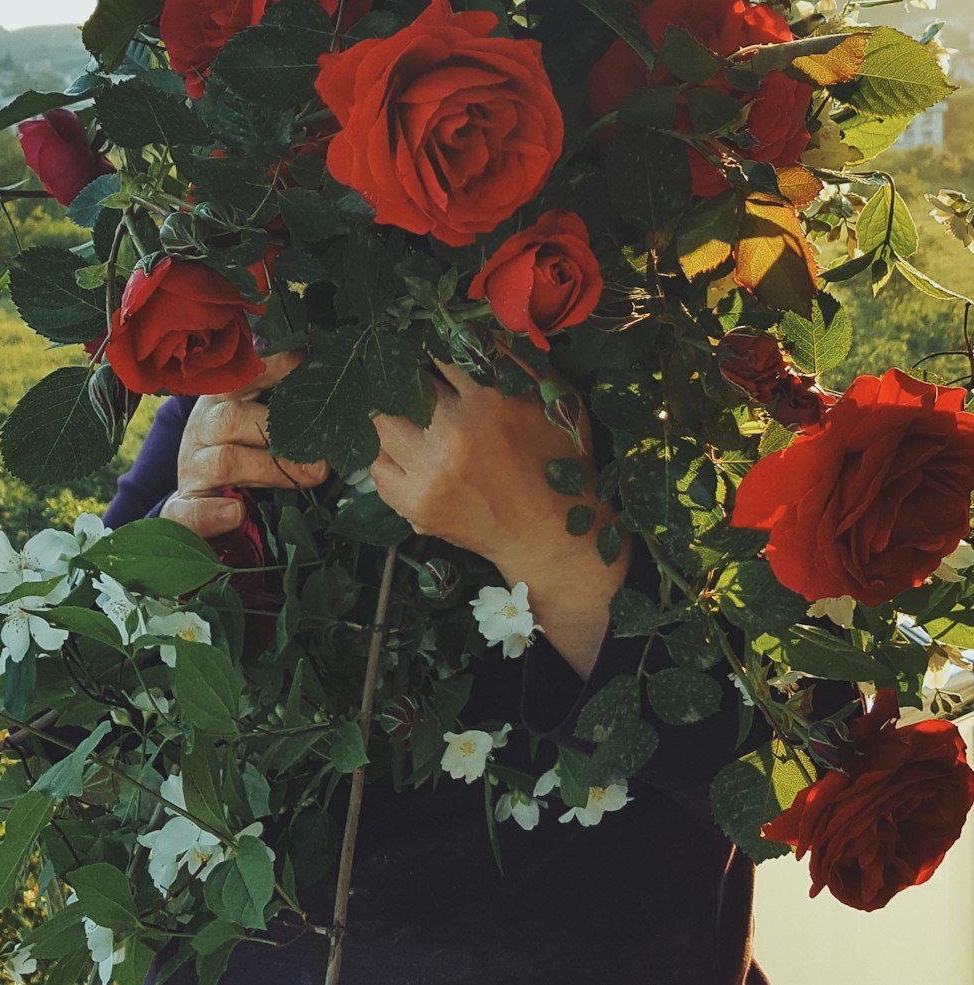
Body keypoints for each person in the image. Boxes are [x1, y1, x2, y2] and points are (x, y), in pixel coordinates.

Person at [108, 354, 772, 985]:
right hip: (251, 944)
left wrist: (560, 553)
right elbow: (83, 724)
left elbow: (787, 779)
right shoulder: (250, 383)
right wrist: (178, 542)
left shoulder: (671, 382)